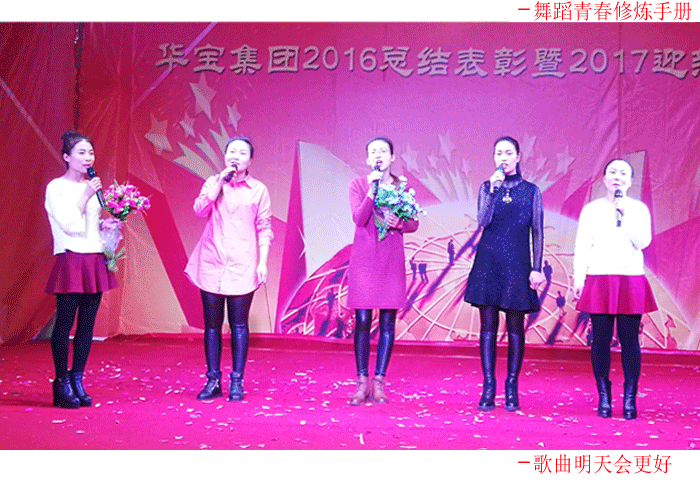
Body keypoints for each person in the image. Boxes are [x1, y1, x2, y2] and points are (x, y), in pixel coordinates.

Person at [185, 137, 272, 402]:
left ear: (250, 160)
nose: (236, 156)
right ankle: (213, 380)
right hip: (212, 261)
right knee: (212, 326)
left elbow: (264, 227)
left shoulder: (258, 189)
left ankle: (237, 381)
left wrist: (262, 262)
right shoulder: (214, 182)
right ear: (224, 156)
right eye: (232, 151)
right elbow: (199, 210)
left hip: (242, 263)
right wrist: (218, 184)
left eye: (242, 152)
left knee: (239, 325)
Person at [463, 136, 545, 412]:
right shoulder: (487, 187)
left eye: (508, 153)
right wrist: (492, 190)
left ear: (518, 157)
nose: (503, 158)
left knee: (515, 327)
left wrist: (536, 268)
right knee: (487, 327)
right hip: (488, 262)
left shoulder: (531, 191)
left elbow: (537, 230)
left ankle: (511, 386)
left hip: (518, 264)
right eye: (499, 153)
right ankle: (489, 386)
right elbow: (482, 221)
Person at [573, 158, 657, 420]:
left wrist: (625, 216)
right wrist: (579, 277)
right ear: (604, 178)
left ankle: (630, 398)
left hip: (629, 278)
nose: (617, 177)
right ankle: (604, 396)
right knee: (600, 340)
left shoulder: (638, 209)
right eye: (612, 172)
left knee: (629, 340)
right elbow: (582, 244)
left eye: (623, 173)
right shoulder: (591, 210)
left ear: (630, 181)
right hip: (599, 277)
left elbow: (643, 242)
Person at [44, 131, 122, 409]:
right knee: (65, 323)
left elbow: (88, 225)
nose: (88, 157)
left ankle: (77, 378)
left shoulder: (93, 187)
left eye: (90, 152)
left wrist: (104, 225)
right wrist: (86, 193)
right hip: (71, 258)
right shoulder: (57, 187)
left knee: (87, 325)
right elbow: (69, 224)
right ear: (67, 157)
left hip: (93, 257)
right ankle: (61, 381)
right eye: (81, 153)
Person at [346, 137, 419, 405]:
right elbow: (359, 218)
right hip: (365, 259)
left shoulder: (402, 187)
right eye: (374, 152)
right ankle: (361, 381)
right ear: (368, 159)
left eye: (383, 151)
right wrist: (372, 190)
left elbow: (414, 223)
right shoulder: (358, 184)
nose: (379, 155)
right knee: (363, 320)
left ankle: (379, 382)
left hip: (390, 259)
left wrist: (399, 222)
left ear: (392, 157)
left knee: (388, 321)